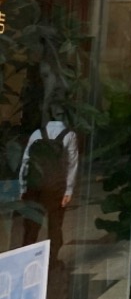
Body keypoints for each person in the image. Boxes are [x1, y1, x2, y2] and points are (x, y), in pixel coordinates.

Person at [19, 110, 79, 262]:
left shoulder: (36, 134)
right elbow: (71, 165)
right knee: (54, 225)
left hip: (34, 187)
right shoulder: (69, 135)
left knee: (31, 226)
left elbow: (25, 162)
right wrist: (69, 190)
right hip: (55, 188)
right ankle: (52, 260)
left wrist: (22, 188)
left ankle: (26, 259)